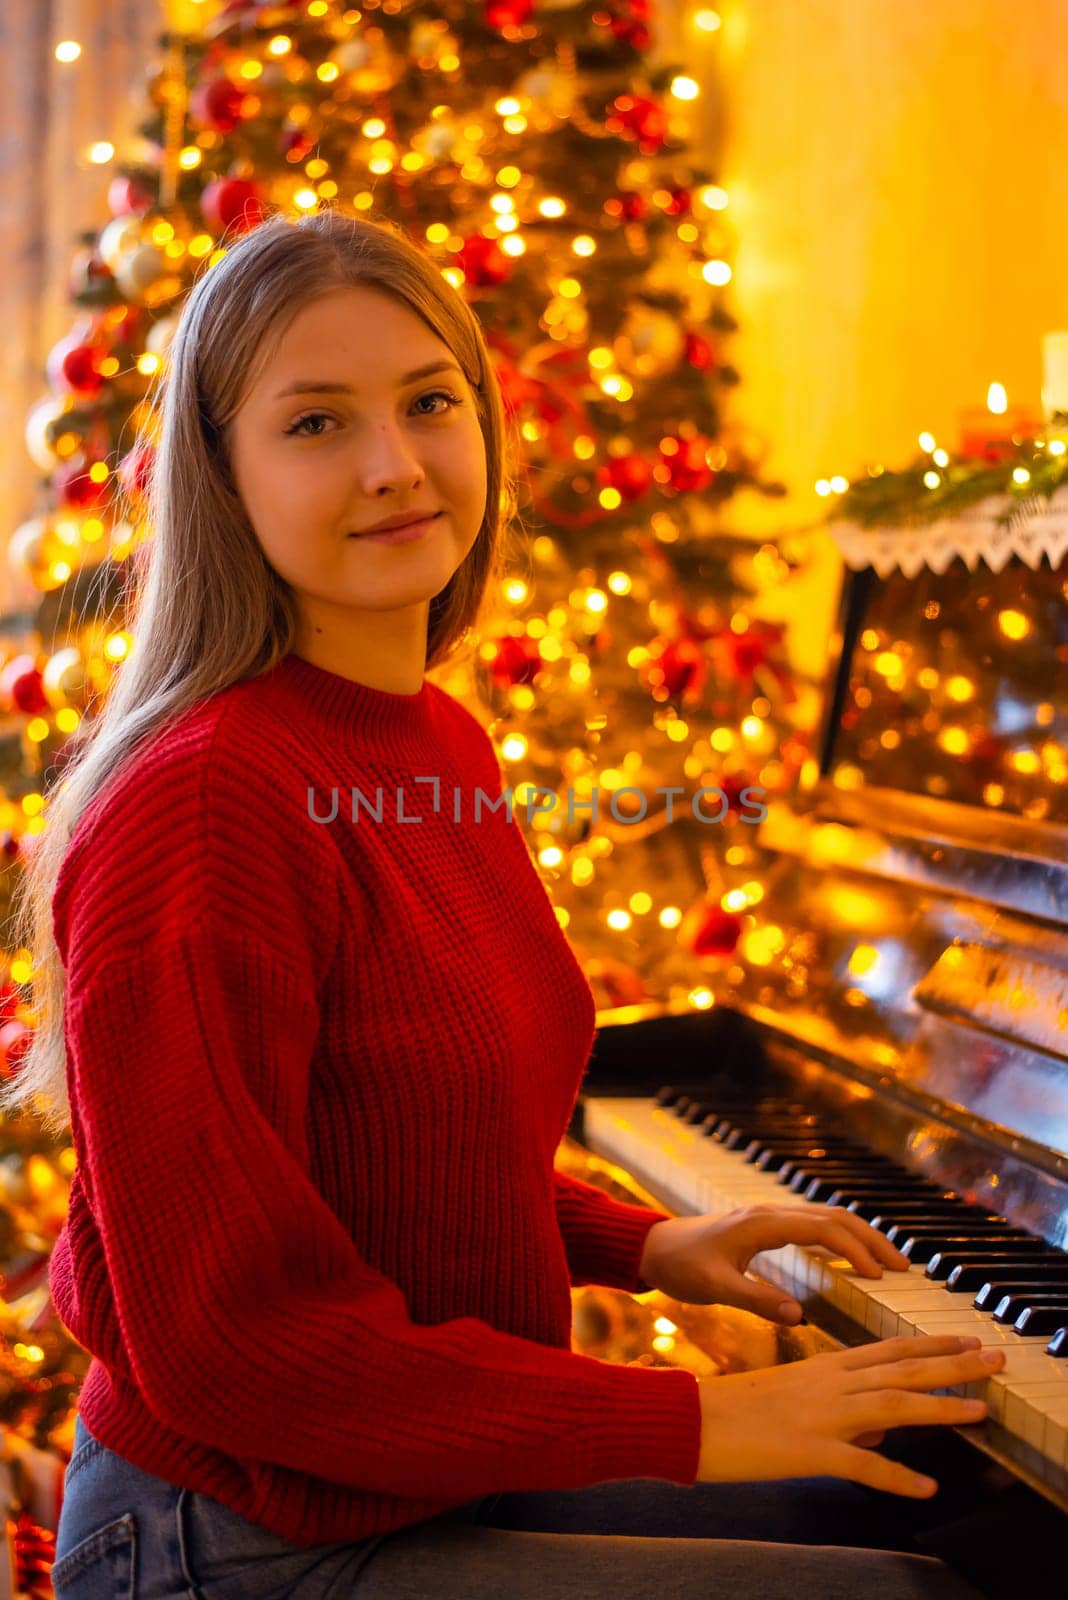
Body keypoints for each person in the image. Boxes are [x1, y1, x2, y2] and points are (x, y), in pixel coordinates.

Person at [3, 208, 1001, 1599]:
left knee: (947, 1528)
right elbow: (231, 1336)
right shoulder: (208, 799)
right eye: (314, 425)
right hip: (238, 1531)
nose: (396, 466)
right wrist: (694, 1421)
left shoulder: (430, 741)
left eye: (429, 401)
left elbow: (398, 1152)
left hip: (397, 1468)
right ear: (219, 479)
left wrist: (646, 1240)